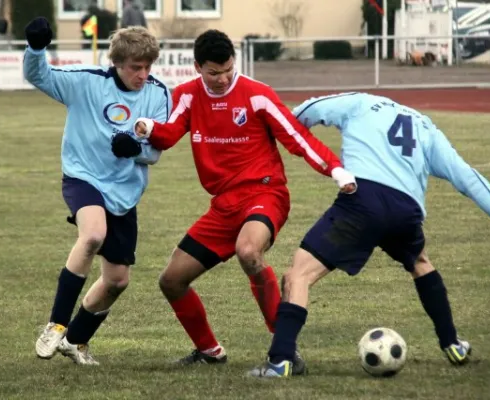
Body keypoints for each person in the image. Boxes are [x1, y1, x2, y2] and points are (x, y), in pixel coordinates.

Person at [249, 92, 490, 378]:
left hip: (363, 202)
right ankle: (452, 344)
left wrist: (271, 131)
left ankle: (281, 360)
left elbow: (308, 110)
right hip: (405, 210)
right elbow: (465, 176)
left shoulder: (360, 102)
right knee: (420, 263)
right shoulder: (425, 125)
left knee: (298, 276)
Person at [133, 29, 356, 368]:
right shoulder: (188, 96)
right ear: (197, 67)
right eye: (213, 73)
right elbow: (169, 134)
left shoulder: (257, 95)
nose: (222, 79)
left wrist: (336, 170)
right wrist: (149, 128)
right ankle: (209, 352)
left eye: (228, 70)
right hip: (224, 205)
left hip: (265, 193)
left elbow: (296, 138)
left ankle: (284, 350)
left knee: (248, 251)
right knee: (172, 281)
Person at [24, 17, 171, 365]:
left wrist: (135, 150)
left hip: (123, 193)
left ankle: (75, 340)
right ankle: (56, 324)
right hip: (82, 177)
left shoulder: (158, 93)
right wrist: (35, 48)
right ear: (117, 63)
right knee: (92, 236)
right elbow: (38, 75)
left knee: (117, 281)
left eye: (148, 66)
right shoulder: (86, 83)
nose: (143, 74)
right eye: (136, 67)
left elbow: (156, 152)